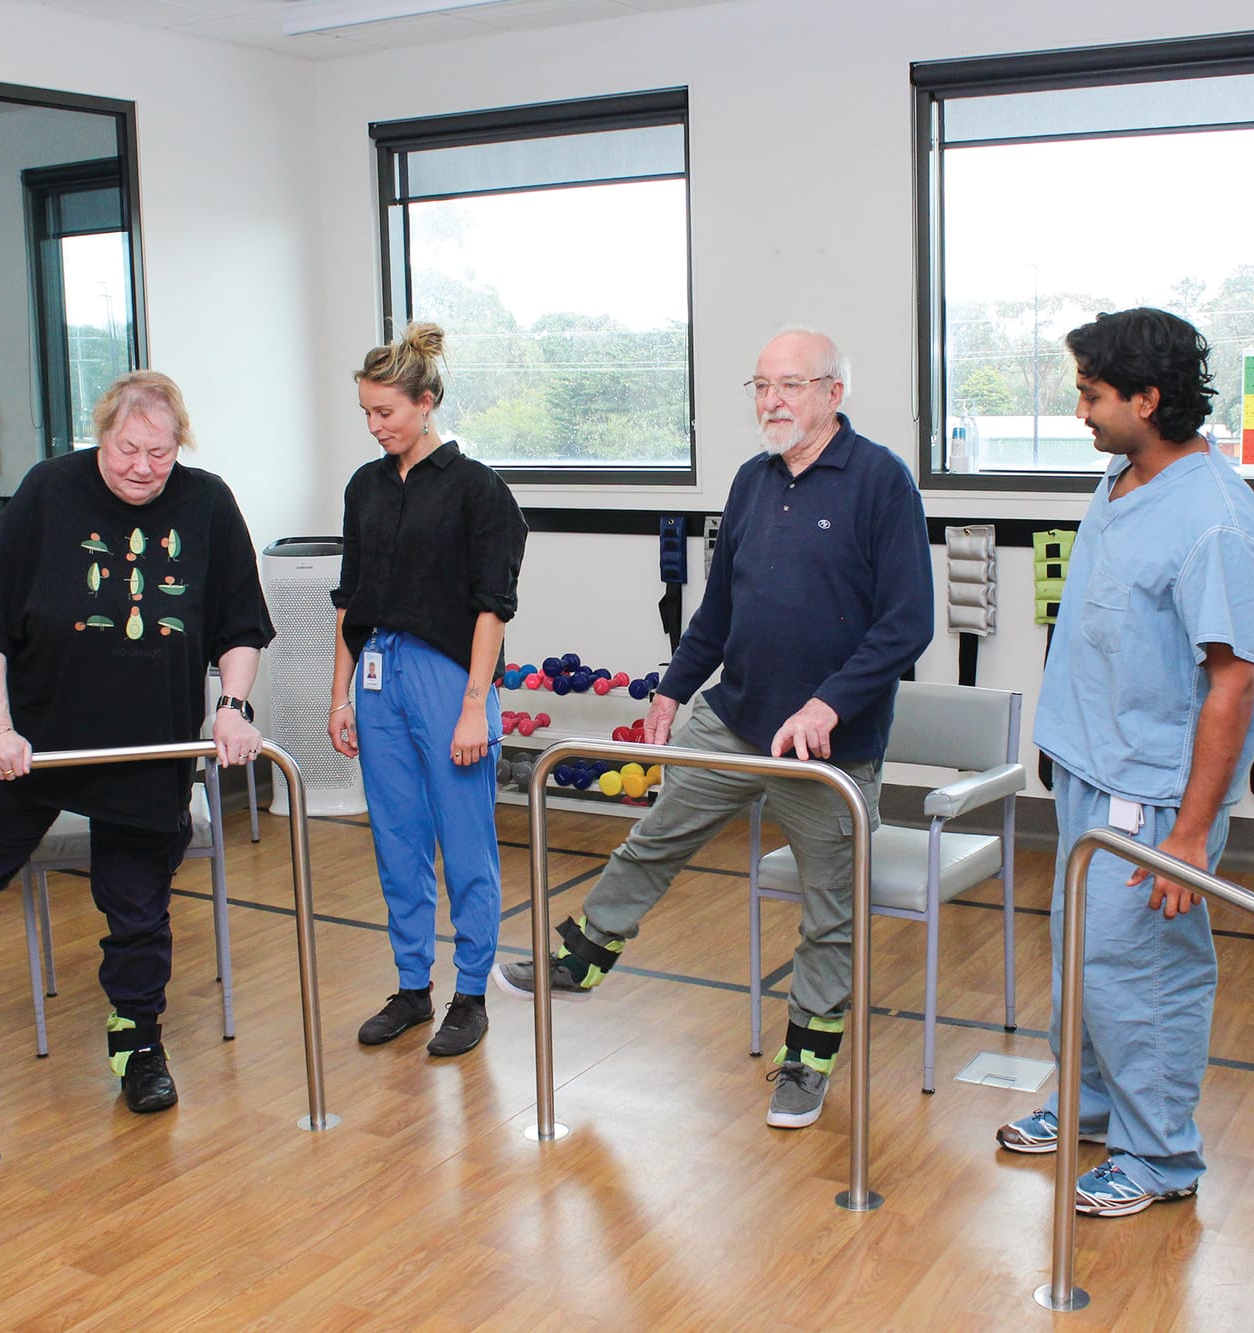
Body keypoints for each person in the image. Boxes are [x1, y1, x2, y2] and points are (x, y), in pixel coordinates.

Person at [493, 327, 932, 1130]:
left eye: (790, 384)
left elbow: (907, 623)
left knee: (832, 911)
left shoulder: (882, 482)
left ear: (834, 392)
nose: (772, 400)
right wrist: (673, 688)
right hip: (734, 720)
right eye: (761, 385)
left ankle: (807, 1059)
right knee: (653, 837)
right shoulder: (751, 481)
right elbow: (720, 607)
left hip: (827, 747)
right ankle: (582, 959)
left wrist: (828, 704)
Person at [0, 370, 275, 1115]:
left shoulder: (208, 503)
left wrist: (233, 707)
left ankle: (138, 1046)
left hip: (145, 747)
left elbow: (241, 625)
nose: (142, 467)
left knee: (138, 909)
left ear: (180, 445)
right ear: (101, 434)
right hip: (38, 740)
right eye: (127, 449)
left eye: (159, 453)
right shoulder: (49, 491)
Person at [994, 308, 1254, 1217]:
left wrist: (1190, 836)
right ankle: (1087, 1106)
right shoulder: (1122, 478)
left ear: (1148, 400)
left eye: (1092, 395)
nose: (1080, 410)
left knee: (1139, 970)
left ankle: (1160, 1154)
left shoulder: (1216, 522)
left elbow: (1233, 684)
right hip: (1091, 766)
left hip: (1154, 793)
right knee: (1081, 953)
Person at [331, 322, 527, 1058]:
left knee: (466, 843)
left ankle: (469, 994)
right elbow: (349, 600)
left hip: (451, 678)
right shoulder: (365, 487)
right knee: (397, 839)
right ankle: (412, 987)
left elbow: (492, 607)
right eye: (366, 413)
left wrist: (476, 706)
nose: (375, 426)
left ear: (427, 401)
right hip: (378, 674)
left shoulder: (479, 491)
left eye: (386, 411)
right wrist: (340, 696)